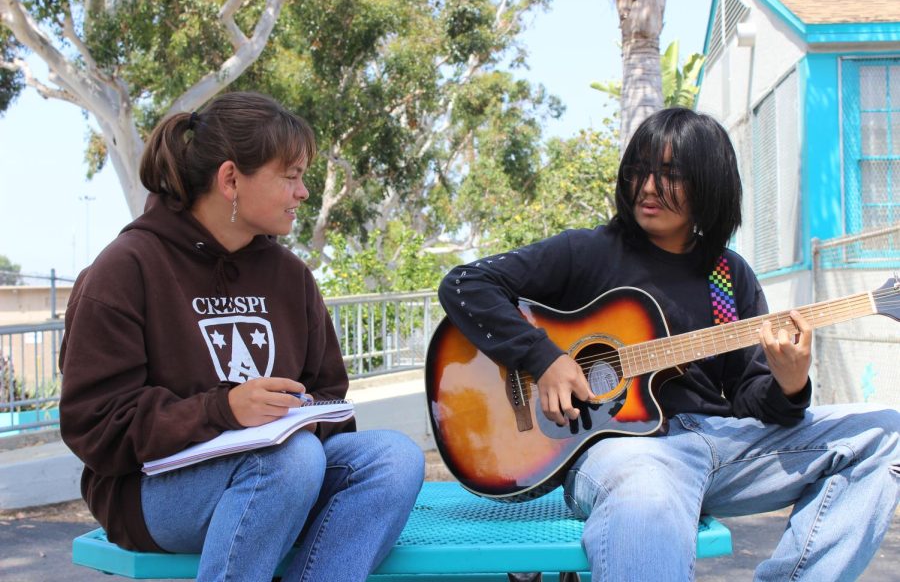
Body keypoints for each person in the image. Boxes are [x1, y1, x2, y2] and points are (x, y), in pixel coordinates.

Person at [437, 107, 900, 580]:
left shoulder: (725, 276)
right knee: (649, 495)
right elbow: (465, 284)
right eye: (639, 170)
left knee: (884, 430)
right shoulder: (590, 252)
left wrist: (789, 384)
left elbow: (749, 396)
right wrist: (545, 357)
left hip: (721, 446)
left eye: (670, 175)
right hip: (624, 452)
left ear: (709, 183)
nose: (648, 187)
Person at [59, 91, 425, 582]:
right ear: (230, 178)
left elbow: (328, 394)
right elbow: (95, 426)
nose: (303, 193)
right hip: (150, 487)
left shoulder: (290, 276)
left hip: (280, 468)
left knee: (394, 459)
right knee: (289, 461)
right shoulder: (125, 269)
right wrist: (223, 410)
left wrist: (294, 414)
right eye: (290, 176)